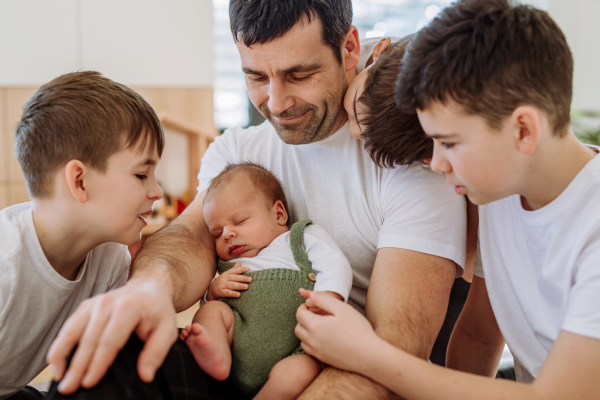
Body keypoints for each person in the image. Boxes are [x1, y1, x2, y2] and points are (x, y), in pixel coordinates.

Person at [46, 1, 467, 399]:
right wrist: (150, 288)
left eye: (299, 75)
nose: (277, 103)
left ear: (350, 48)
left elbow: (396, 343)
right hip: (234, 357)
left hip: (339, 368)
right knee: (114, 363)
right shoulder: (237, 153)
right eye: (256, 78)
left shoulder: (416, 158)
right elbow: (187, 238)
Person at [295, 0, 600, 398]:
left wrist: (366, 352)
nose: (436, 163)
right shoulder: (501, 193)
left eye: (449, 143)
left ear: (523, 130)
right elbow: (477, 336)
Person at [0, 71, 164, 400]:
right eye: (142, 174)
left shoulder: (111, 258)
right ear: (79, 181)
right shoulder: (6, 267)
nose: (157, 191)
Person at [180, 162, 352, 399]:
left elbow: (334, 264)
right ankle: (215, 352)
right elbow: (217, 305)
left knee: (302, 370)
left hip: (297, 347)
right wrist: (214, 291)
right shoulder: (230, 265)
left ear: (279, 214)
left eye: (239, 221)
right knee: (212, 311)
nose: (227, 234)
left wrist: (328, 299)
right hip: (239, 341)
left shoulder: (298, 239)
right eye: (217, 234)